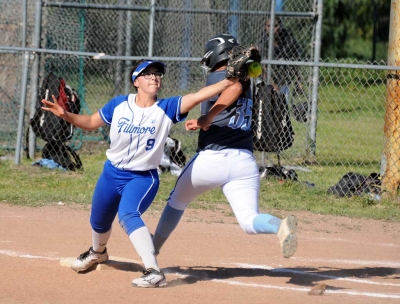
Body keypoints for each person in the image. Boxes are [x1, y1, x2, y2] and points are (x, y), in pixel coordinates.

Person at [41, 59, 239, 288]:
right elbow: (90, 122)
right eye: (148, 74)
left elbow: (199, 95)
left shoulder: (167, 108)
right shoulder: (119, 104)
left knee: (128, 214)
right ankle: (98, 252)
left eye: (158, 74)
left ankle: (154, 271)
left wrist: (229, 80)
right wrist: (64, 114)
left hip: (142, 178)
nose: (154, 77)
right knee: (99, 219)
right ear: (136, 81)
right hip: (111, 173)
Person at [152, 34, 298, 261]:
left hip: (212, 158)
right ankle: (280, 227)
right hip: (244, 162)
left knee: (176, 201)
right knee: (249, 220)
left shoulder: (221, 78)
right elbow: (239, 86)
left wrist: (206, 117)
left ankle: (152, 250)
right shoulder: (248, 81)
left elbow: (234, 88)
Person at [258, 17, 303, 105]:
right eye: (269, 26)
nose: (272, 29)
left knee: (283, 107)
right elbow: (264, 68)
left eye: (275, 26)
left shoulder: (288, 40)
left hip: (284, 80)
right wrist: (274, 86)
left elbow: (295, 61)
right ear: (265, 27)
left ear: (280, 27)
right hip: (267, 80)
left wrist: (299, 81)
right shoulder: (263, 42)